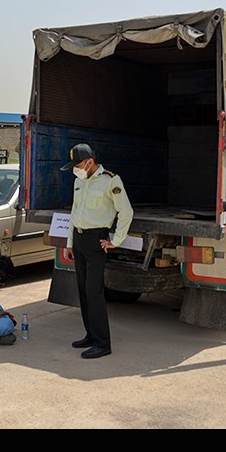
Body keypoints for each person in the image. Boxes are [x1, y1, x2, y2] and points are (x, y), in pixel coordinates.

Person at [60, 143, 134, 359]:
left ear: (90, 162)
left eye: (78, 164)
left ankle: (103, 343)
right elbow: (74, 213)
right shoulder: (79, 181)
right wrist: (69, 243)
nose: (76, 168)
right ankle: (90, 335)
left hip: (96, 240)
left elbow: (126, 211)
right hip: (79, 240)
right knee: (83, 290)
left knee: (94, 291)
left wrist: (116, 240)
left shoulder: (111, 180)